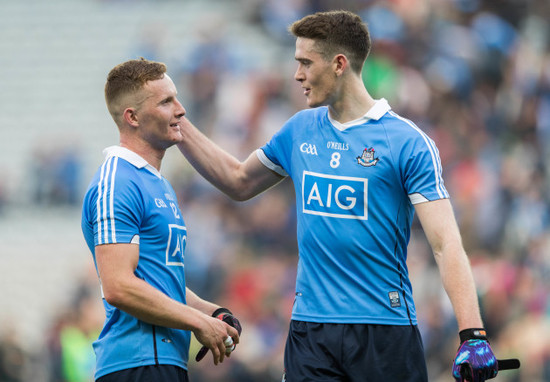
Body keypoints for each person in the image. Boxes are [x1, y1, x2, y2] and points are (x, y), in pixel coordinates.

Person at [177, 10, 501, 382]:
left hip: (384, 330)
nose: (296, 74)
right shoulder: (299, 130)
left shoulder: (407, 142)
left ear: (339, 64)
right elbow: (237, 180)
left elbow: (445, 244)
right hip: (311, 331)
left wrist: (472, 333)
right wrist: (179, 124)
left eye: (304, 63)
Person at [81, 58, 241, 382]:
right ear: (133, 117)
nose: (181, 110)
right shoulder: (117, 180)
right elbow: (118, 286)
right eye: (167, 101)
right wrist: (197, 323)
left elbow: (160, 281)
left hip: (164, 362)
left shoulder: (157, 183)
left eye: (177, 98)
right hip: (137, 364)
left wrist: (210, 312)